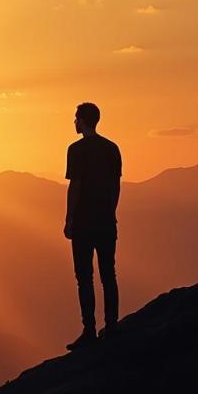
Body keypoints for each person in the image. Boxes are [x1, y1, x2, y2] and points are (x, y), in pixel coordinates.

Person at [64, 102, 121, 350]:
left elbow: (75, 186)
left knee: (84, 277)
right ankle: (112, 327)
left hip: (84, 222)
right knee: (108, 275)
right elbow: (116, 186)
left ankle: (89, 331)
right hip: (106, 220)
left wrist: (69, 218)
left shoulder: (75, 150)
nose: (74, 122)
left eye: (76, 118)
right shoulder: (111, 148)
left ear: (83, 120)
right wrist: (111, 210)